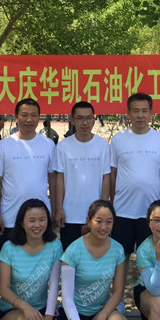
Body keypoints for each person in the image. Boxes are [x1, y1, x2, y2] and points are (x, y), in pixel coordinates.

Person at [110, 93, 160, 310]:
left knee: (151, 259)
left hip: (151, 215)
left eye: (145, 111)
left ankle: (152, 303)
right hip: (123, 211)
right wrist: (111, 203)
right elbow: (113, 174)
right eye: (136, 111)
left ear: (151, 113)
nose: (140, 115)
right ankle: (117, 302)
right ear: (128, 114)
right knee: (121, 259)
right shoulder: (118, 139)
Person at [59, 200, 128, 320]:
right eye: (99, 221)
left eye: (109, 222)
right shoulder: (73, 251)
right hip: (75, 314)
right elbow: (67, 299)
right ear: (89, 221)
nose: (104, 227)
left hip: (100, 311)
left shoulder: (118, 249)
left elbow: (118, 292)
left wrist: (102, 318)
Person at [0, 199, 62, 320]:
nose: (37, 225)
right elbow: (3, 289)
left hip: (42, 310)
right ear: (22, 223)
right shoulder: (9, 248)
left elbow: (54, 286)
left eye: (42, 219)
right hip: (11, 310)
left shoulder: (55, 246)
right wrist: (26, 308)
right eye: (31, 220)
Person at [0, 98, 56, 250]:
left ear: (39, 117)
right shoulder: (2, 146)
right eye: (24, 115)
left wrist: (55, 209)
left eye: (34, 115)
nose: (29, 120)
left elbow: (53, 179)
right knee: (9, 259)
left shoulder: (48, 145)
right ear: (16, 117)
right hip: (10, 217)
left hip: (40, 218)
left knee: (41, 258)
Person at [53, 101, 111, 249]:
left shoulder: (103, 146)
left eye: (88, 118)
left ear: (94, 119)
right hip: (70, 214)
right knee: (69, 255)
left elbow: (106, 178)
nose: (85, 123)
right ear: (72, 120)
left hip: (96, 215)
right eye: (80, 118)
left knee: (96, 254)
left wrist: (104, 209)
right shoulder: (63, 146)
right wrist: (59, 208)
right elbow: (60, 178)